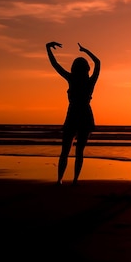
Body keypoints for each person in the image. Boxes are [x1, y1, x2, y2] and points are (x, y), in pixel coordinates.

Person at [46, 41, 101, 185]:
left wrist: (48, 48)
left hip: (73, 114)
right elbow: (98, 62)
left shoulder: (72, 79)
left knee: (65, 151)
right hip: (84, 115)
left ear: (74, 68)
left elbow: (55, 64)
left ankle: (60, 180)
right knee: (79, 152)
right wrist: (85, 50)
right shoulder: (90, 81)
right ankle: (75, 180)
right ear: (87, 68)